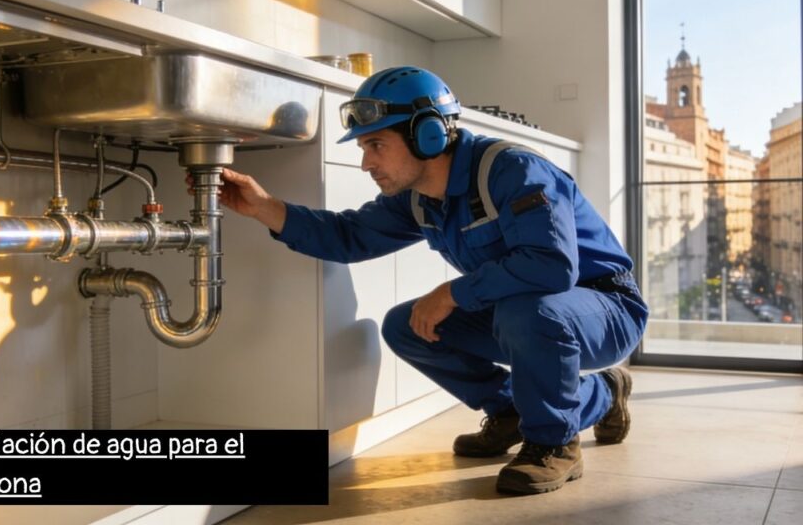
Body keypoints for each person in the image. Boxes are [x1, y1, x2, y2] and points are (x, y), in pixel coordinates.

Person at [217, 66, 648, 495]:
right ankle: (513, 412)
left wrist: (453, 292)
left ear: (428, 135)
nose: (366, 163)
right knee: (407, 326)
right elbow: (348, 236)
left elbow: (551, 266)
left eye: (376, 145)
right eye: (364, 148)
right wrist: (264, 206)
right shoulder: (418, 198)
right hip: (525, 312)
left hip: (607, 307)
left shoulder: (513, 171)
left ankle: (557, 438)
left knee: (526, 309)